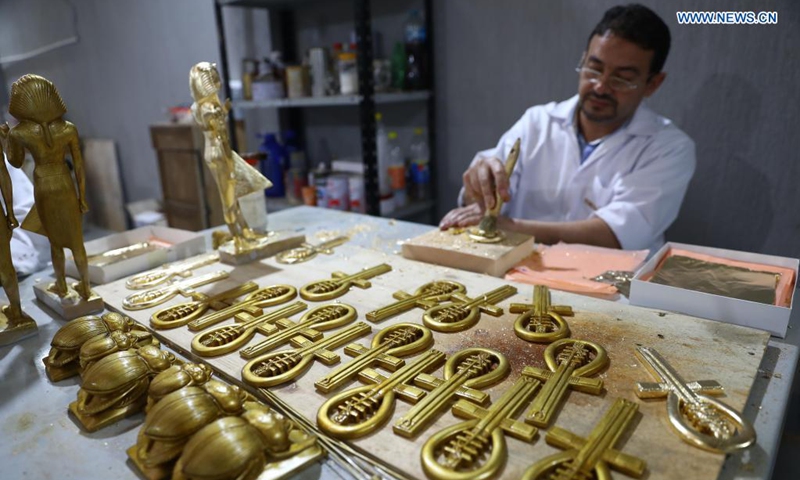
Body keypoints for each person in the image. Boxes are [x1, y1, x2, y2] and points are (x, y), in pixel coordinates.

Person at [439, 4, 695, 253]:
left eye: (623, 78)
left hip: (612, 287)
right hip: (520, 271)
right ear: (583, 60)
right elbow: (487, 194)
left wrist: (509, 227)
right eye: (594, 68)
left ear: (652, 84)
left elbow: (614, 234)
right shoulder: (537, 122)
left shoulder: (668, 147)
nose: (601, 87)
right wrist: (480, 190)